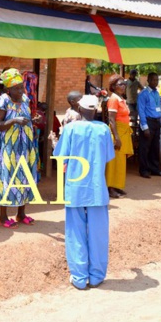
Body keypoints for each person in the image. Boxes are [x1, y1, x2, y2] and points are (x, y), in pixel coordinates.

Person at [54, 94, 115, 290]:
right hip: (97, 188)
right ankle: (96, 276)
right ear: (95, 110)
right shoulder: (104, 130)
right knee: (98, 233)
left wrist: (55, 142)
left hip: (76, 187)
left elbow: (60, 155)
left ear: (79, 110)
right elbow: (107, 157)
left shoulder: (71, 129)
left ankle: (79, 277)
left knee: (75, 231)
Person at [0, 68, 39, 228]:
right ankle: (2, 217)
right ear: (8, 89)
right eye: (16, 88)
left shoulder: (24, 99)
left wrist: (32, 121)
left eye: (22, 87)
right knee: (7, 178)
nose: (21, 90)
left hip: (24, 147)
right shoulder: (2, 100)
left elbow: (26, 118)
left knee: (24, 177)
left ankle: (20, 213)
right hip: (7, 148)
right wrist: (14, 121)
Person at [105, 75, 132, 197]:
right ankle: (110, 187)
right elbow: (111, 120)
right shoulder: (113, 99)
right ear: (114, 87)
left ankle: (118, 185)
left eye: (124, 84)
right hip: (118, 133)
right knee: (113, 161)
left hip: (124, 132)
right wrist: (116, 137)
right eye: (121, 84)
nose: (123, 86)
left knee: (121, 161)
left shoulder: (121, 98)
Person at [137, 72, 161, 178]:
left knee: (155, 147)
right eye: (153, 80)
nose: (155, 82)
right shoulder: (143, 94)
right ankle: (143, 170)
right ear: (148, 80)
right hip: (148, 122)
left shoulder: (156, 93)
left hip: (157, 122)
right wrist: (145, 127)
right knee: (145, 148)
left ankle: (154, 169)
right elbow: (141, 111)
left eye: (157, 80)